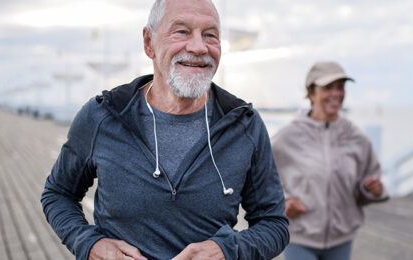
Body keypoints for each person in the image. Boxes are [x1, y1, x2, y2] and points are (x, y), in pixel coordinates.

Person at [40, 0, 289, 259]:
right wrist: (89, 244)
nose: (198, 46)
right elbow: (58, 194)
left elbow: (274, 224)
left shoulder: (245, 124)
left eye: (210, 35)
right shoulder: (103, 115)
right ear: (149, 43)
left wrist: (226, 251)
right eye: (181, 31)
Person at [271, 61, 388, 260]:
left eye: (340, 87)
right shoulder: (287, 136)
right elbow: (262, 180)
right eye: (328, 87)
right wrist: (284, 202)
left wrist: (372, 190)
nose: (336, 94)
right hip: (299, 237)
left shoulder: (356, 137)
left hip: (342, 239)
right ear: (311, 92)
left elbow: (368, 181)